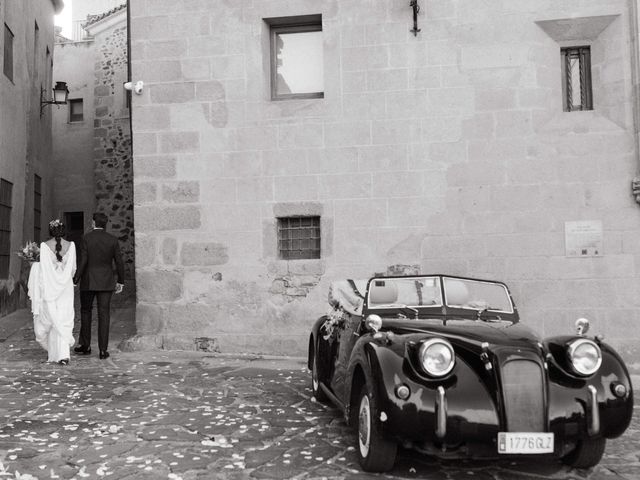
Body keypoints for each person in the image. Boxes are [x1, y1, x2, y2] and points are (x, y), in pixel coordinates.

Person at [73, 212, 125, 360]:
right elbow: (119, 262)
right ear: (105, 224)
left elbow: (83, 261)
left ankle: (86, 345)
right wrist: (121, 281)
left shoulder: (86, 238)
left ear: (94, 223)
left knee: (85, 311)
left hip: (88, 281)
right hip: (106, 281)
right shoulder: (112, 240)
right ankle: (103, 350)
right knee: (104, 314)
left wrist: (75, 279)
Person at [28, 219, 77, 365]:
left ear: (50, 231)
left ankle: (55, 352)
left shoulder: (44, 246)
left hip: (49, 287)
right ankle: (63, 355)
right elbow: (73, 268)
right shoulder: (72, 246)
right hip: (66, 288)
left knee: (52, 319)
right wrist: (64, 276)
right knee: (63, 318)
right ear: (64, 230)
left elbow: (43, 268)